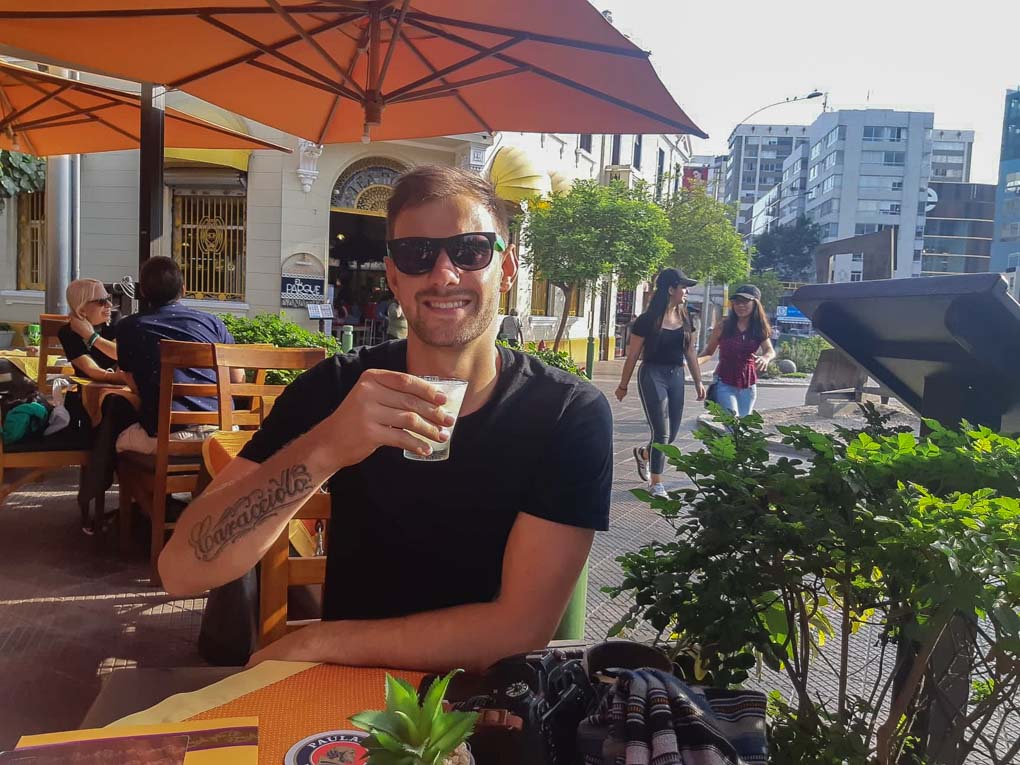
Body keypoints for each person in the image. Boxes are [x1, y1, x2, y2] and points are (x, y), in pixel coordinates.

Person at [158, 165, 613, 673]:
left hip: (484, 702)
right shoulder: (337, 389)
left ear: (505, 271)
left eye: (471, 251)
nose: (444, 274)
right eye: (416, 254)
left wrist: (319, 643)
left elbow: (520, 629)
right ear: (393, 276)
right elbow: (182, 571)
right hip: (346, 712)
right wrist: (329, 445)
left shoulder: (566, 413)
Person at [114, 257, 243, 455]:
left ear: (142, 292)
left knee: (118, 441)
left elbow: (134, 385)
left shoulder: (129, 327)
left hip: (170, 436)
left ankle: (134, 486)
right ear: (183, 289)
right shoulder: (213, 323)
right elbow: (237, 379)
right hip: (224, 432)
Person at [615, 268, 706, 499]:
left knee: (672, 434)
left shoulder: (686, 318)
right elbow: (633, 355)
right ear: (670, 289)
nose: (686, 291)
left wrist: (698, 382)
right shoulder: (647, 321)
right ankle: (657, 483)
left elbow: (690, 353)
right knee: (661, 432)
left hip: (676, 376)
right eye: (683, 287)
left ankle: (645, 454)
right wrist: (623, 384)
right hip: (652, 374)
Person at [698, 284, 776, 417]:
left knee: (743, 427)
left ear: (755, 303)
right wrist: (691, 363)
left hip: (749, 385)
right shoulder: (724, 326)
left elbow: (770, 350)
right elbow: (709, 352)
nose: (740, 306)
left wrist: (765, 358)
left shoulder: (758, 328)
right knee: (732, 422)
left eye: (745, 302)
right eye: (737, 302)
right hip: (724, 382)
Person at [59, 279, 129, 385]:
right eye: (101, 301)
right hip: (89, 389)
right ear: (82, 309)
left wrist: (91, 337)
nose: (109, 304)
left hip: (119, 386)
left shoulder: (114, 319)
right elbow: (90, 369)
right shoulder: (67, 332)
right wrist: (114, 377)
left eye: (108, 298)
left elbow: (120, 354)